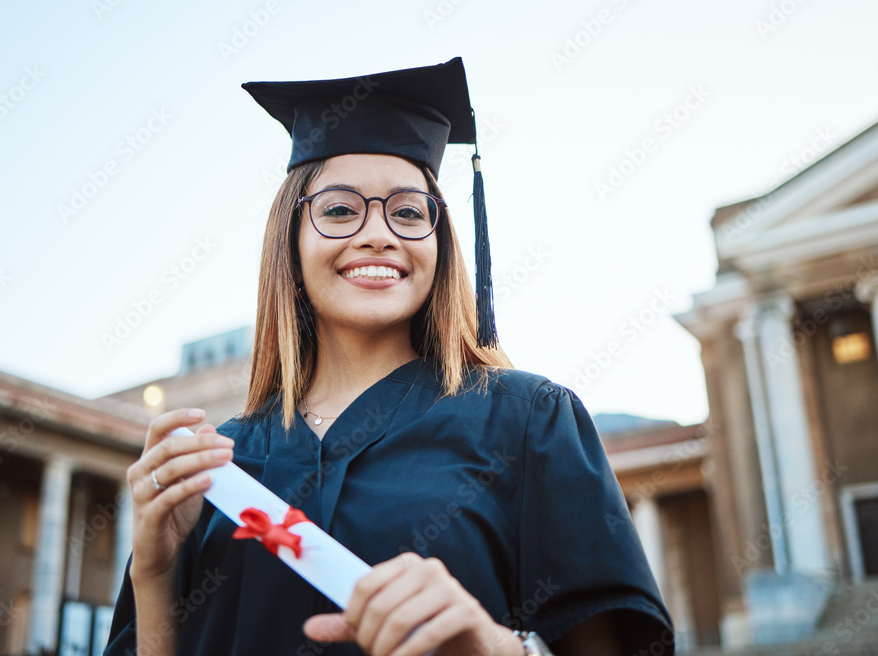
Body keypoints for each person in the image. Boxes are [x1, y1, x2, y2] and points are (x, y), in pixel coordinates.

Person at [104, 58, 674, 656]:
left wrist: (497, 647)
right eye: (339, 210)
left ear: (441, 244)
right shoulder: (221, 465)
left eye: (407, 211)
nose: (378, 233)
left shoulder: (529, 422)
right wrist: (154, 572)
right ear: (288, 245)